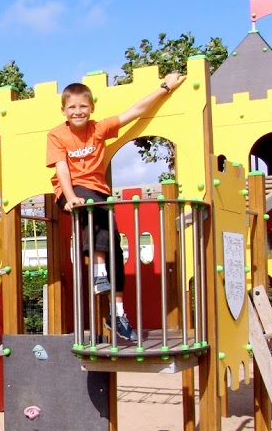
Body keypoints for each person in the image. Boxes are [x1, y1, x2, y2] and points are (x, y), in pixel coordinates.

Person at [46, 72, 186, 339]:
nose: (78, 111)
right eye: (72, 107)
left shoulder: (99, 129)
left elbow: (135, 111)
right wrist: (70, 196)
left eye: (83, 106)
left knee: (116, 251)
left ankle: (118, 313)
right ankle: (98, 272)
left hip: (98, 194)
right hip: (70, 191)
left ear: (92, 108)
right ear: (63, 110)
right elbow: (62, 168)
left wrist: (165, 87)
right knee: (92, 206)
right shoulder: (57, 135)